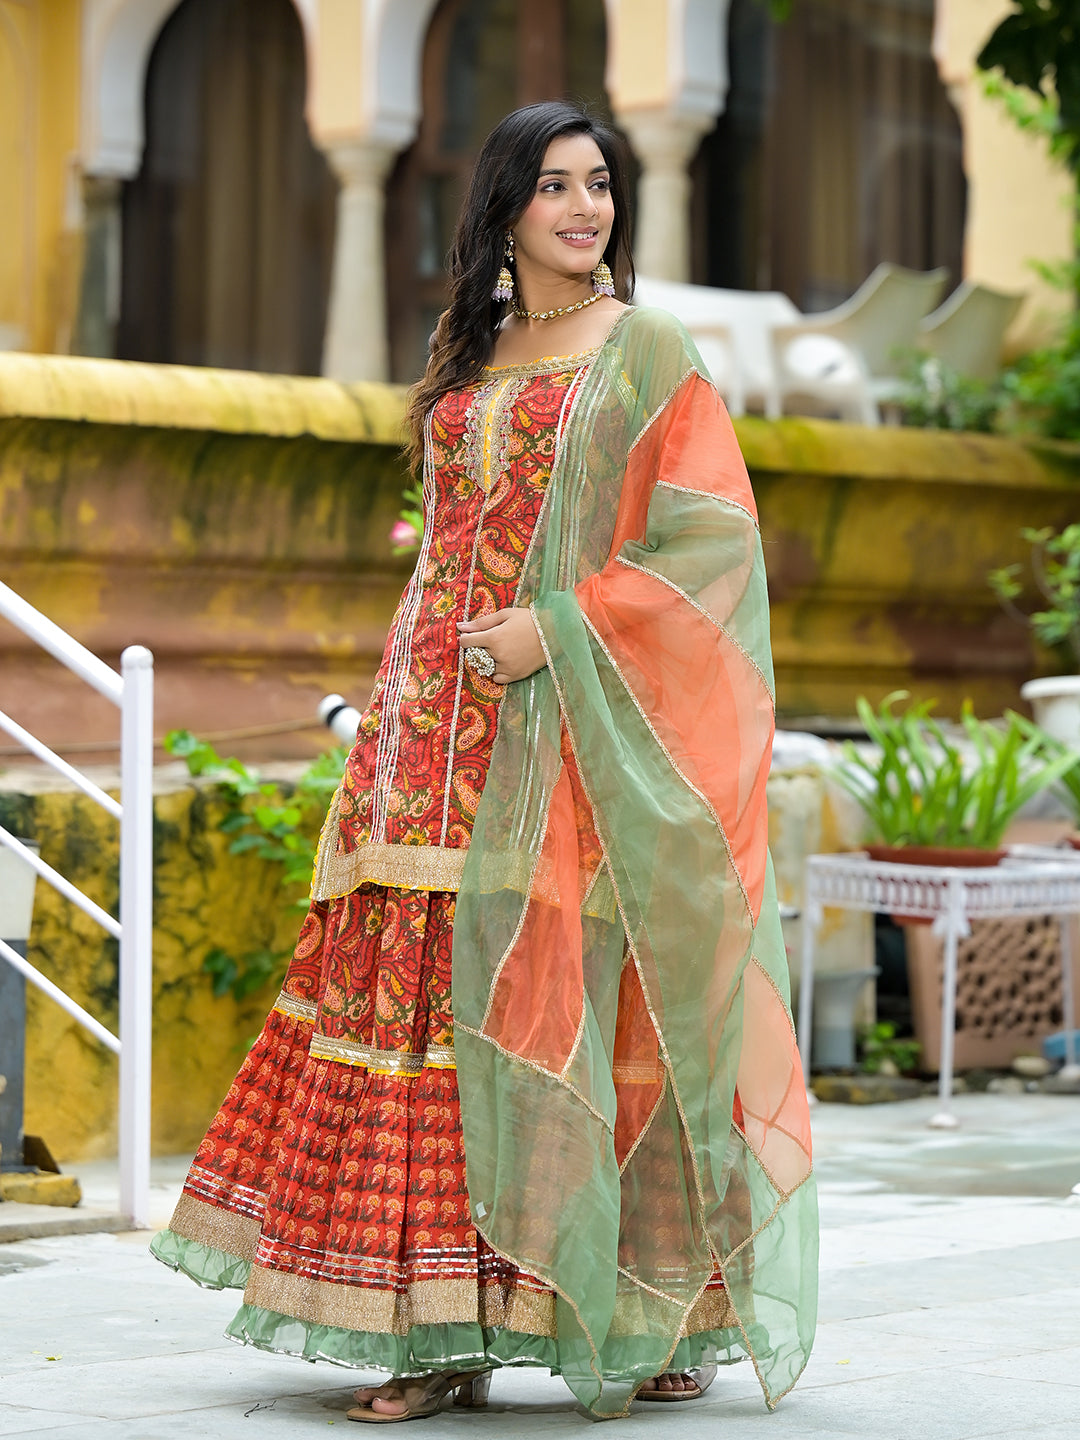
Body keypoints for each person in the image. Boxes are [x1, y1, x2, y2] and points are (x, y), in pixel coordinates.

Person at [152, 100, 817, 1423]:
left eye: (602, 186)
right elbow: (442, 547)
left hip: (572, 730)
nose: (588, 208)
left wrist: (560, 630)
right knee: (421, 1017)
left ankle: (643, 1311)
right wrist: (410, 693)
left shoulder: (646, 348)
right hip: (426, 735)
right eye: (559, 187)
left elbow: (711, 546)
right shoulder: (472, 354)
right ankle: (431, 1334)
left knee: (583, 998)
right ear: (504, 207)